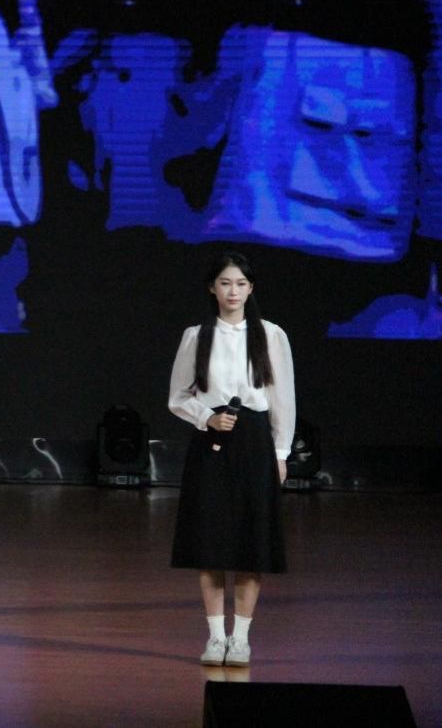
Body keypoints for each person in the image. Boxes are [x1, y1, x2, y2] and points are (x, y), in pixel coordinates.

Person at [168, 252, 295, 666]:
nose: (233, 292)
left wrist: (280, 452)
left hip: (255, 442)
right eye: (225, 283)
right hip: (212, 444)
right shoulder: (196, 336)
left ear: (251, 288)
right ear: (212, 288)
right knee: (210, 543)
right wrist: (206, 417)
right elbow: (178, 397)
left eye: (241, 284)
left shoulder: (271, 335)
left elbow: (283, 398)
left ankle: (240, 639)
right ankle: (215, 638)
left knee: (250, 543)